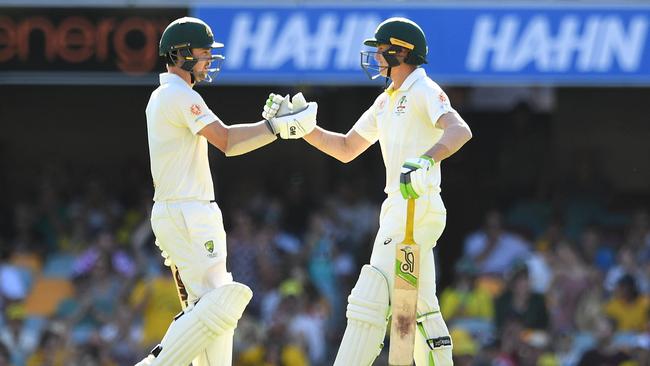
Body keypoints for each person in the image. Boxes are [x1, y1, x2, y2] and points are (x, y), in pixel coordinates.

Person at [135, 17, 318, 366]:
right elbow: (227, 141)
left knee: (206, 313)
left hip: (178, 213)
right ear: (180, 54)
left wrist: (271, 127)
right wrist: (275, 128)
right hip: (190, 213)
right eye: (204, 54)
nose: (208, 61)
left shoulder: (163, 96)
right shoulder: (179, 95)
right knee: (220, 303)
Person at [293, 17, 472, 366]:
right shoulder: (386, 100)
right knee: (422, 309)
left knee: (371, 293)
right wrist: (304, 129)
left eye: (380, 49)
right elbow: (346, 147)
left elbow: (459, 129)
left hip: (416, 206)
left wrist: (425, 161)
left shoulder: (423, 89)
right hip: (398, 208)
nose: (375, 56)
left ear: (400, 52)